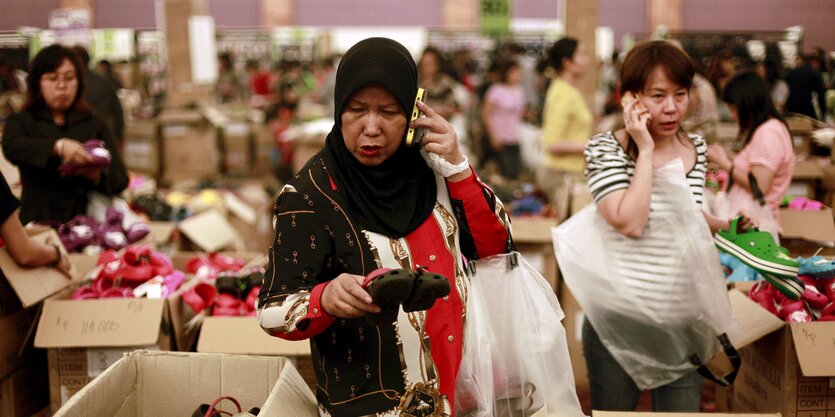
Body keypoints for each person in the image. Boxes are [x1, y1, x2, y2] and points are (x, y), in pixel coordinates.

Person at [257, 37, 513, 417]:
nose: (371, 127)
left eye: (389, 112)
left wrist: (459, 168)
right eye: (357, 110)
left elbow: (498, 247)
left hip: (460, 395)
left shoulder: (436, 171)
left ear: (412, 114)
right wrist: (324, 299)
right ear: (339, 108)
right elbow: (271, 308)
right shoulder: (308, 196)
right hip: (371, 406)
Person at [582, 40, 733, 412]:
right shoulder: (606, 148)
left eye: (680, 94)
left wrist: (727, 226)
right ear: (631, 99)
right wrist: (645, 149)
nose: (671, 108)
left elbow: (683, 214)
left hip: (682, 323)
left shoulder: (695, 147)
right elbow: (630, 222)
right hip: (619, 321)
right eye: (658, 95)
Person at [1, 44, 129, 224]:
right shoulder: (23, 121)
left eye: (69, 78)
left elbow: (120, 179)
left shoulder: (95, 122)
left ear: (79, 82)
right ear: (37, 82)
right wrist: (58, 147)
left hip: (88, 228)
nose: (62, 86)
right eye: (52, 78)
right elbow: (12, 147)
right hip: (38, 226)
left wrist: (94, 175)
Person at [707, 71, 795, 220]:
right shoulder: (770, 128)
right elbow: (755, 168)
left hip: (754, 227)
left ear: (748, 104)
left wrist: (723, 162)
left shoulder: (768, 133)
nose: (733, 116)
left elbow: (759, 186)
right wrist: (729, 156)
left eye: (734, 109)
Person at [538, 36, 592, 220]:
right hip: (560, 175)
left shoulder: (567, 90)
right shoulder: (563, 93)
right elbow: (552, 143)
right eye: (582, 54)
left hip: (568, 173)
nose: (587, 59)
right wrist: (592, 146)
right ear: (567, 63)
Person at [481, 59, 526, 180]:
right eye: (514, 72)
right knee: (503, 172)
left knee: (515, 172)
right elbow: (485, 114)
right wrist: (493, 135)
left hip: (515, 137)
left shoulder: (519, 91)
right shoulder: (496, 90)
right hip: (500, 137)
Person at [73, 46, 125, 144]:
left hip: (82, 139)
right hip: (106, 135)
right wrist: (119, 133)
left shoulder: (74, 84)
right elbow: (117, 110)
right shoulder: (103, 81)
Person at [785, 53, 827, 120]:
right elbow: (821, 96)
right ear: (814, 62)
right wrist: (823, 116)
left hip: (791, 109)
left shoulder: (790, 74)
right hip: (806, 109)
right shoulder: (814, 74)